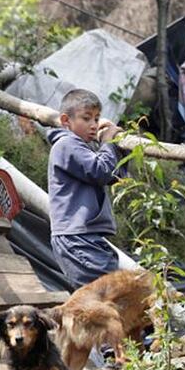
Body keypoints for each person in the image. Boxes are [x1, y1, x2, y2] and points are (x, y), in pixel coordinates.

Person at [47, 89, 123, 288]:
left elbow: (114, 176)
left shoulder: (82, 146)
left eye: (97, 119)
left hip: (84, 236)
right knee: (106, 294)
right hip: (76, 237)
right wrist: (107, 142)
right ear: (66, 121)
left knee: (106, 295)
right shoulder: (66, 144)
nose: (93, 125)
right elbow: (101, 171)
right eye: (86, 118)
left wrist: (117, 146)